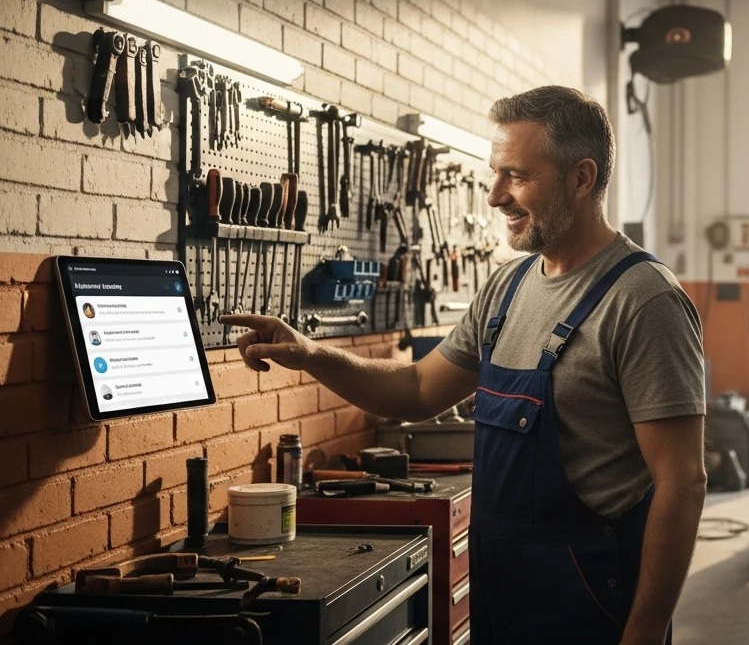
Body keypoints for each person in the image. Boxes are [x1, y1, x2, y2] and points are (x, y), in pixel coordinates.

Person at [221, 86, 706, 645]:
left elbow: (682, 482)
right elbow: (417, 389)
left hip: (593, 609)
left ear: (582, 178)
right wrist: (311, 354)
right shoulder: (507, 287)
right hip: (503, 598)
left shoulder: (643, 301)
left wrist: (644, 632)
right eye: (495, 174)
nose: (495, 196)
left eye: (517, 176)